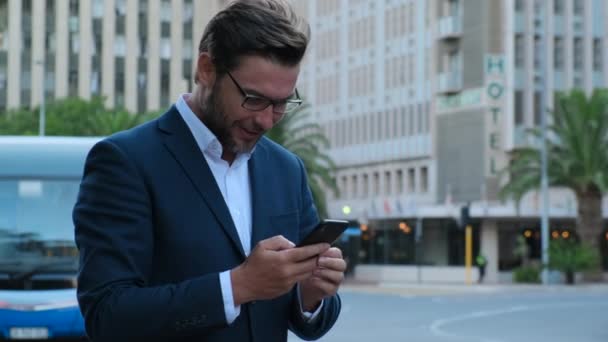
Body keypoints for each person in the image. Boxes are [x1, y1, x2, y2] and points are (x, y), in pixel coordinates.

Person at [73, 1, 345, 341]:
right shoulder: (125, 162)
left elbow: (308, 316)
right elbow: (107, 315)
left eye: (281, 104)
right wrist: (236, 287)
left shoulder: (287, 169)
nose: (265, 120)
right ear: (206, 69)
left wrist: (311, 294)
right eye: (254, 98)